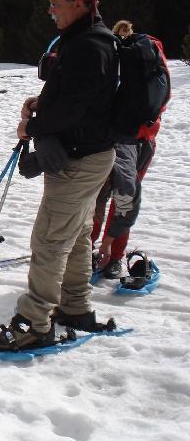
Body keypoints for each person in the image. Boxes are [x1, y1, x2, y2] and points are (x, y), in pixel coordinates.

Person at [0, 0, 118, 352]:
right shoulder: (87, 39)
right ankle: (74, 307)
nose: (51, 11)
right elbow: (80, 98)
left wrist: (34, 125)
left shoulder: (88, 46)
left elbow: (73, 109)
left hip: (80, 159)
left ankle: (34, 323)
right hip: (90, 155)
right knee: (75, 235)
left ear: (80, 4)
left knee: (48, 239)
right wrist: (42, 104)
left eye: (56, 4)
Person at [91, 19, 169, 278]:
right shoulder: (149, 57)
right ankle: (113, 256)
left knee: (98, 198)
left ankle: (88, 251)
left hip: (116, 139)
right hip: (144, 138)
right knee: (122, 199)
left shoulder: (113, 59)